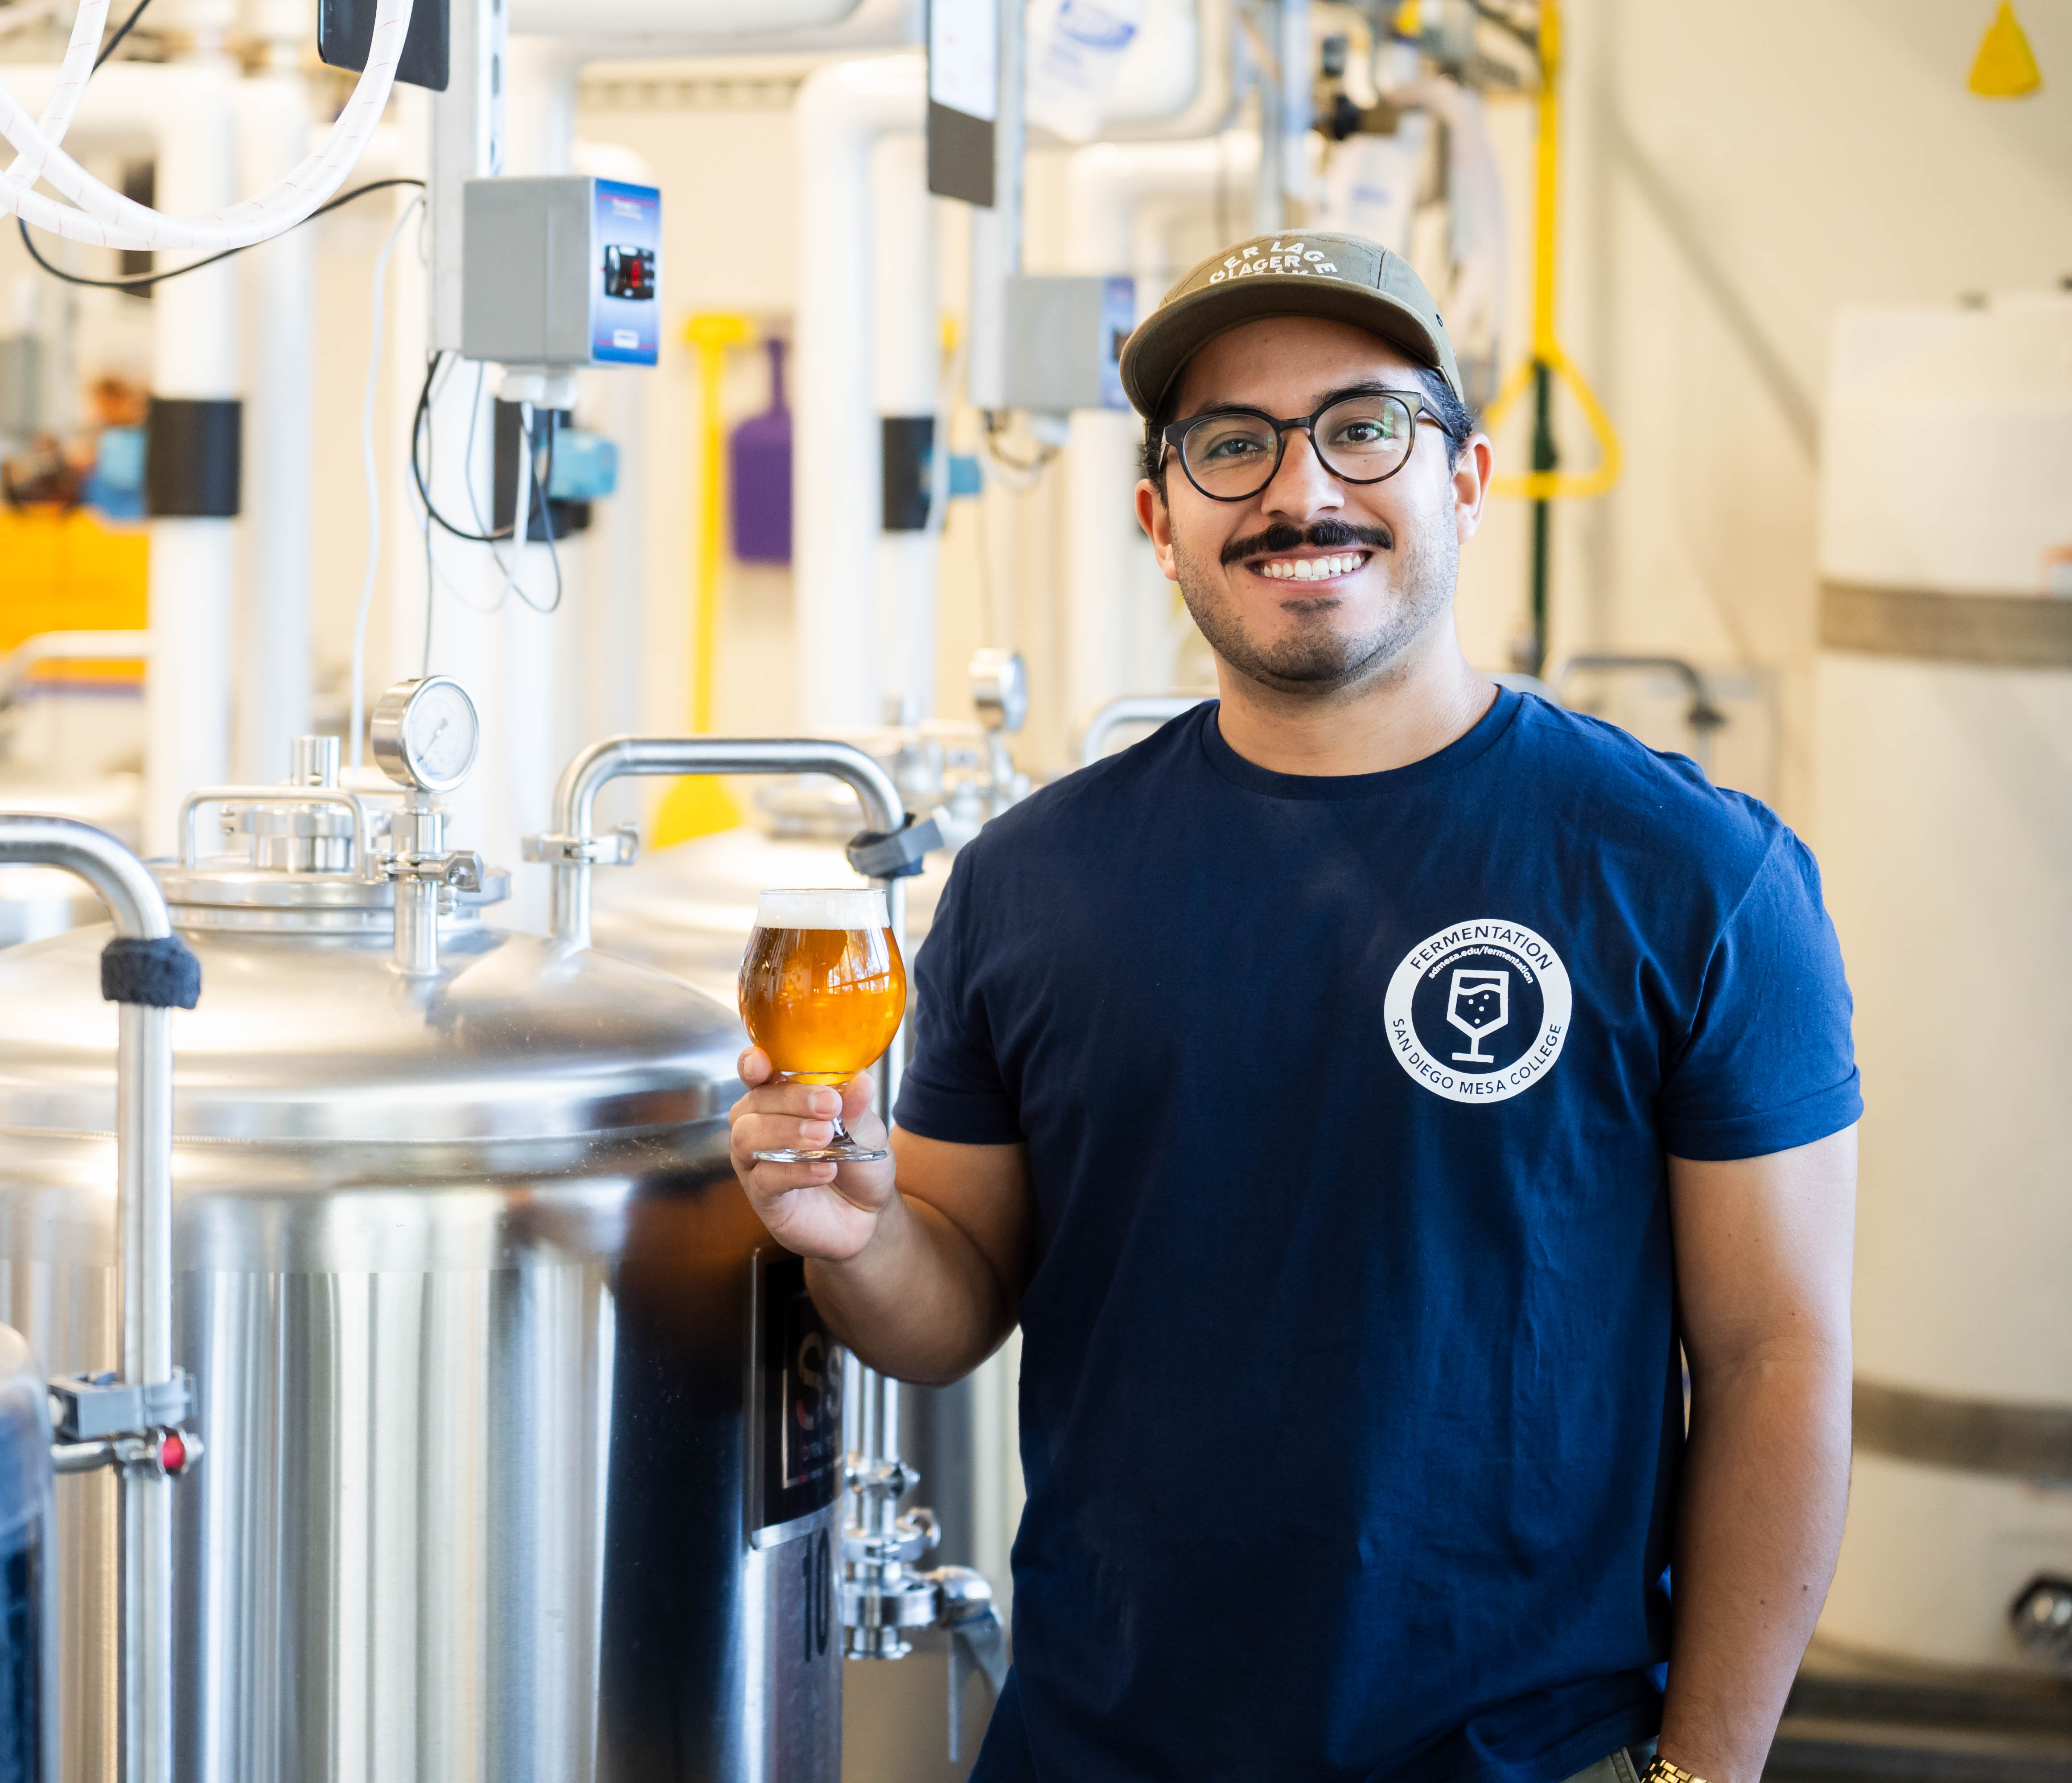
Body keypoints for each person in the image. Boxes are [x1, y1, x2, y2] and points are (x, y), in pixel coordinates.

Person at [728, 231, 1859, 1783]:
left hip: (1524, 1754)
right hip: (1095, 1748)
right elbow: (950, 1310)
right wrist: (853, 1237)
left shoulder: (1690, 876)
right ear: (1159, 518)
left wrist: (1702, 1775)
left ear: (1463, 482)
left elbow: (1775, 1363)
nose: (1301, 491)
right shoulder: (1028, 881)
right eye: (1231, 446)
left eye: (1363, 427)